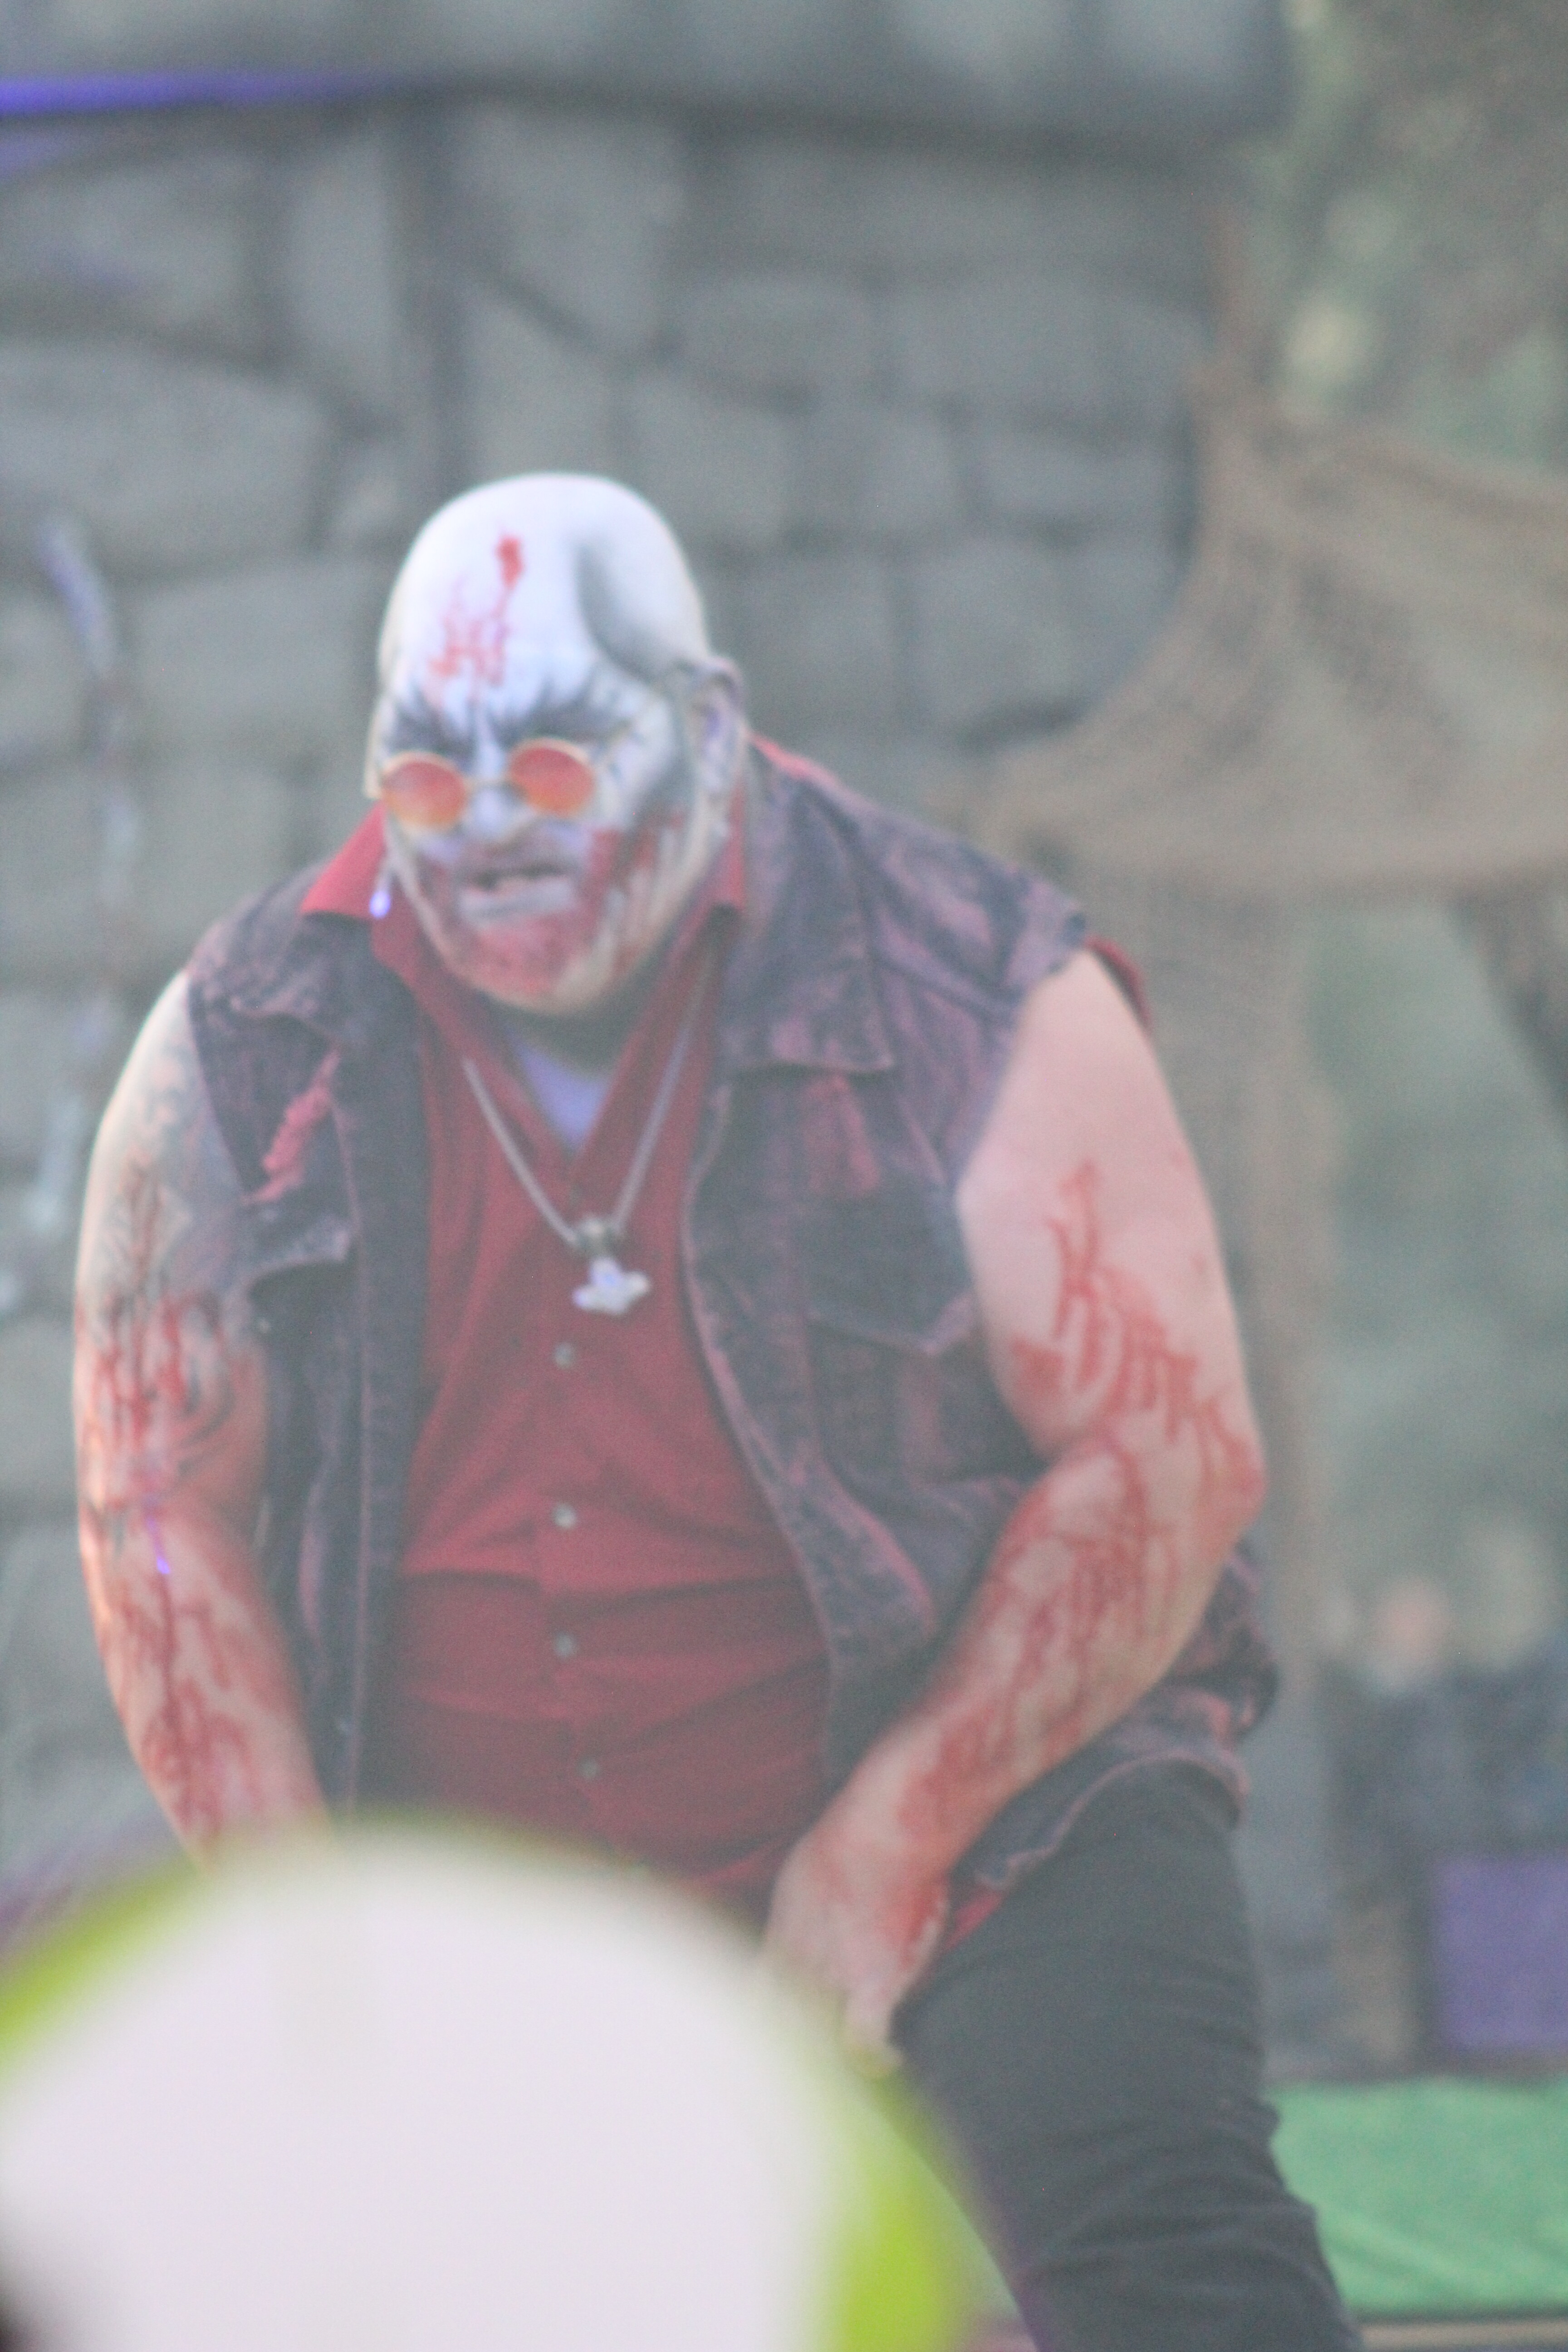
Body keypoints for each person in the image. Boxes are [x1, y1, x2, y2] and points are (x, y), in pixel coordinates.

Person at [73, 475, 1359, 2352]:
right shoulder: (246, 1028)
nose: (489, 826)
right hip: (489, 1891)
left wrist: (888, 1843)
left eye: (555, 767)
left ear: (712, 726)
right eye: (427, 777)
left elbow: (1169, 1455)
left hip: (992, 1821)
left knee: (1161, 2255)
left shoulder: (974, 984)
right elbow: (152, 1501)